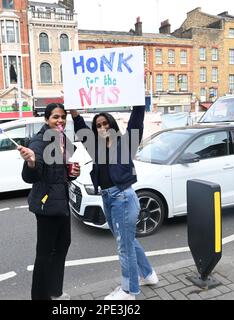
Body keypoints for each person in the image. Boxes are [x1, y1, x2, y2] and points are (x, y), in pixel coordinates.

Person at [71, 105, 158, 300]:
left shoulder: (126, 142)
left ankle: (129, 291)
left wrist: (138, 100)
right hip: (107, 198)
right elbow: (82, 131)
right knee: (128, 241)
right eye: (98, 125)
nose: (102, 128)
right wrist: (74, 113)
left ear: (112, 125)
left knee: (124, 245)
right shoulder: (97, 148)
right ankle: (148, 275)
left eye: (105, 124)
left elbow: (136, 121)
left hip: (123, 198)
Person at [19, 103, 80, 300]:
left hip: (61, 201)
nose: (60, 120)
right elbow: (30, 177)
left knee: (63, 245)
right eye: (55, 117)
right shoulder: (39, 141)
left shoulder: (61, 138)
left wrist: (72, 174)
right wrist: (31, 162)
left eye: (63, 117)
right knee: (45, 254)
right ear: (46, 119)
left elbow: (61, 172)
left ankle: (55, 291)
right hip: (46, 204)